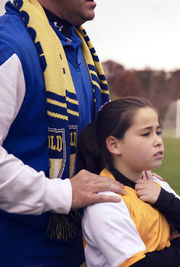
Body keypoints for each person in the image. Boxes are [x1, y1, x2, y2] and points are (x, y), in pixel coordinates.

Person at [0, 0, 124, 265]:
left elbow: (90, 136)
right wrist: (62, 194)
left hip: (72, 249)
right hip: (17, 252)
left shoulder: (75, 44)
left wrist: (128, 163)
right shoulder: (9, 46)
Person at [78, 97, 180, 267]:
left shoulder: (156, 185)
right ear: (114, 145)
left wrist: (164, 200)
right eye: (146, 134)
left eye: (158, 132)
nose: (158, 141)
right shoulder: (106, 200)